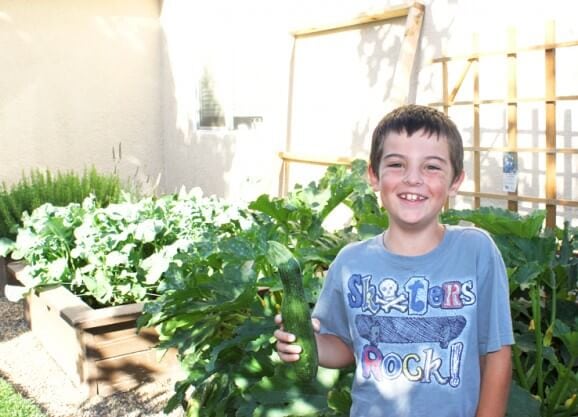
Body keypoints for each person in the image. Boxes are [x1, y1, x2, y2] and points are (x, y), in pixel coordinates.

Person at [274, 104, 514, 417]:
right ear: (374, 175)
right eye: (397, 164)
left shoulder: (475, 251)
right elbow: (344, 347)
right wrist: (304, 342)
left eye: (432, 167)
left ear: (455, 181)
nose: (413, 179)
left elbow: (497, 355)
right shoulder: (350, 262)